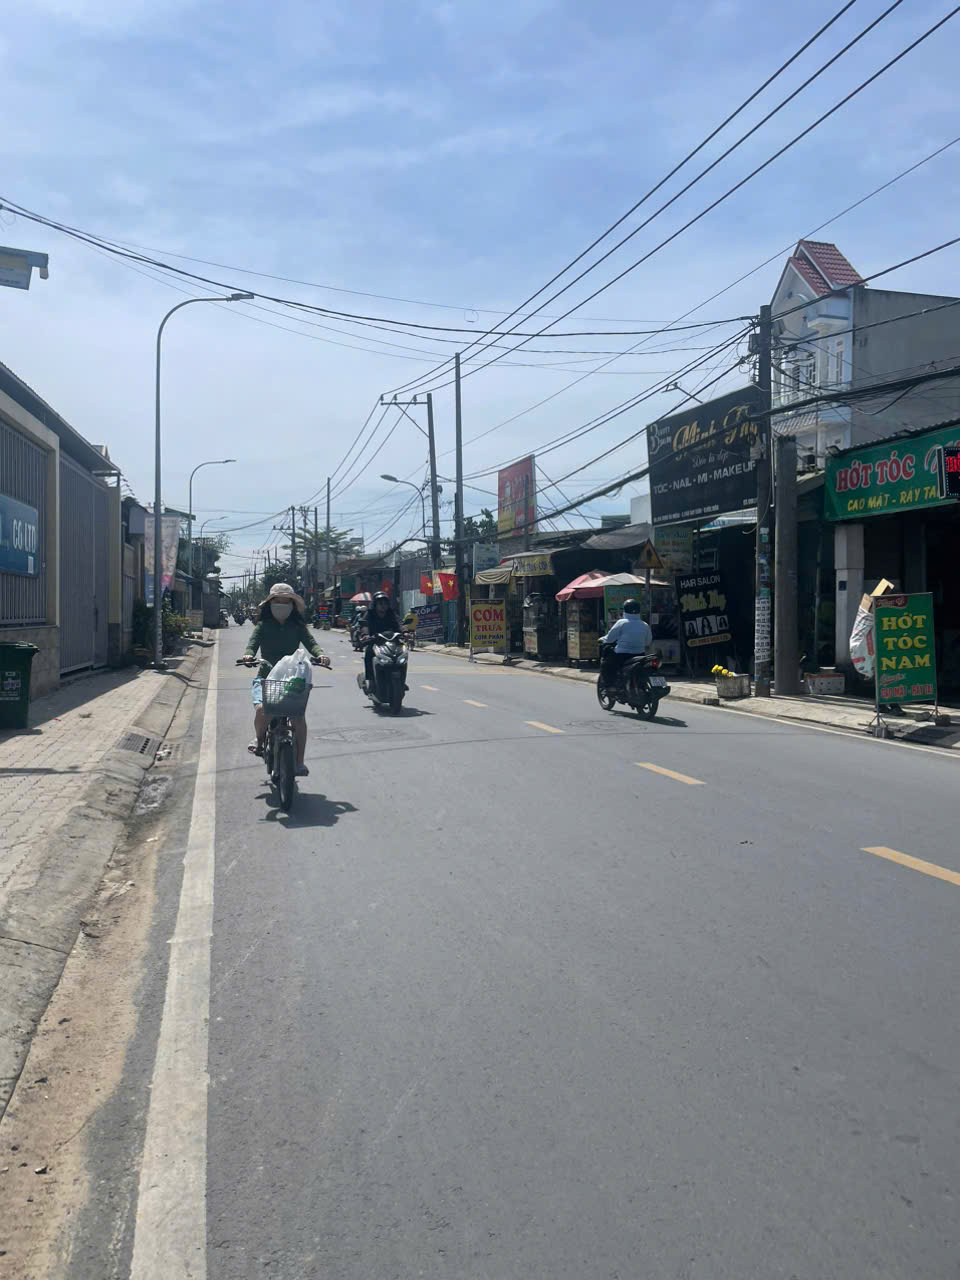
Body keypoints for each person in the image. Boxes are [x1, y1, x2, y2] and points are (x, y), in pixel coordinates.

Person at [243, 582, 331, 776]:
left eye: (286, 601)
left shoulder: (297, 626)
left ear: (292, 605)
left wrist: (320, 654)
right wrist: (248, 655)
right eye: (278, 601)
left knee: (298, 718)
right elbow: (252, 643)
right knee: (262, 710)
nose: (282, 605)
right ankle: (259, 740)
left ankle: (299, 762)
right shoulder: (263, 625)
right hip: (266, 676)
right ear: (270, 604)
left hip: (292, 679)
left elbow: (311, 643)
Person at [599, 599, 652, 685]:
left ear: (625, 610)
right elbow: (648, 642)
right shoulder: (645, 625)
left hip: (622, 655)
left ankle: (610, 686)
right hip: (640, 655)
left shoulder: (621, 623)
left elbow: (609, 639)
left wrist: (602, 639)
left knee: (606, 665)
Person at [362, 590, 401, 689]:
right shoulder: (370, 613)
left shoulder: (391, 613)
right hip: (375, 641)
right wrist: (365, 635)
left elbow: (398, 623)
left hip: (391, 641)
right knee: (368, 654)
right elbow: (364, 624)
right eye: (380, 603)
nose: (383, 606)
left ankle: (401, 680)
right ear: (375, 604)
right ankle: (370, 679)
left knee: (401, 655)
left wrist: (405, 632)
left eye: (385, 603)